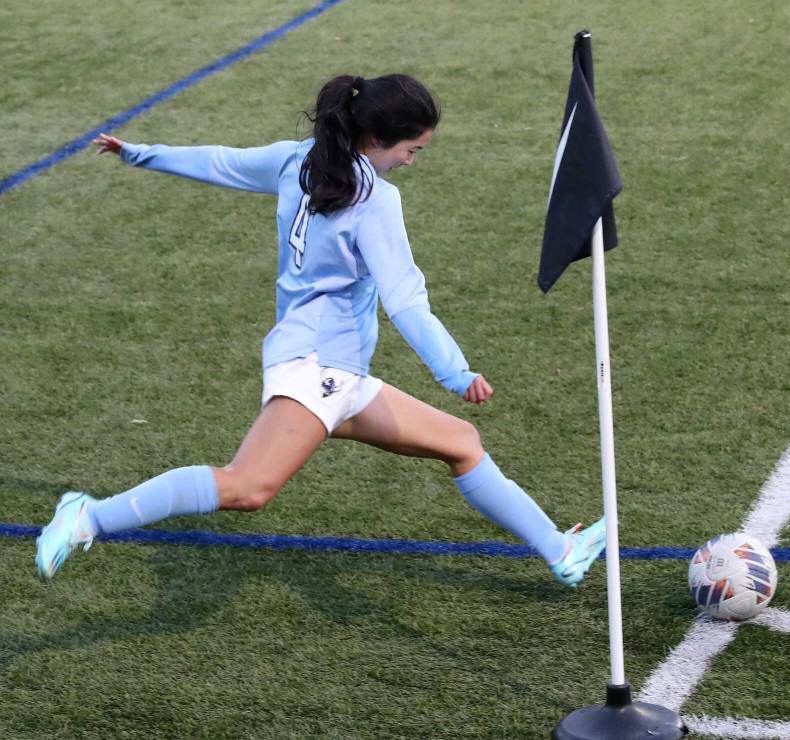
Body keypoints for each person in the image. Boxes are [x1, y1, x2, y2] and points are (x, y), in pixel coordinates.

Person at [34, 73, 606, 587]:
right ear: (379, 140)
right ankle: (89, 515)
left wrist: (140, 153)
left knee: (461, 443)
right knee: (247, 487)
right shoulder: (375, 198)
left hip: (338, 372)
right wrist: (456, 372)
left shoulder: (300, 160)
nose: (412, 160)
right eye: (413, 149)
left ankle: (561, 549)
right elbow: (404, 299)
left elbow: (221, 162)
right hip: (318, 369)